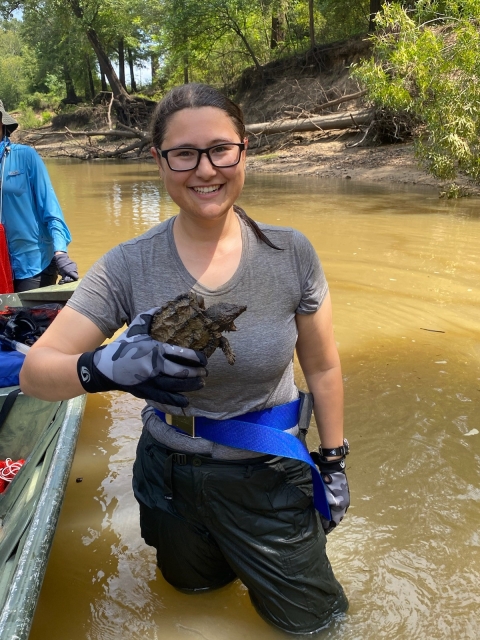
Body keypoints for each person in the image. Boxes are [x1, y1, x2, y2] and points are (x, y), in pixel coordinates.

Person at [20, 83, 350, 634]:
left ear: (244, 150)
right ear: (159, 159)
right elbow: (35, 372)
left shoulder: (291, 254)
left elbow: (323, 366)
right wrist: (102, 367)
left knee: (315, 623)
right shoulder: (127, 265)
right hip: (169, 476)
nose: (205, 169)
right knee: (193, 600)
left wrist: (334, 461)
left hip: (265, 471)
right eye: (184, 153)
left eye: (221, 149)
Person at [0, 100, 78, 292]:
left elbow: (51, 210)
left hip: (33, 265)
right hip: (1, 267)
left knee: (28, 322)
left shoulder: (26, 157)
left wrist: (61, 253)